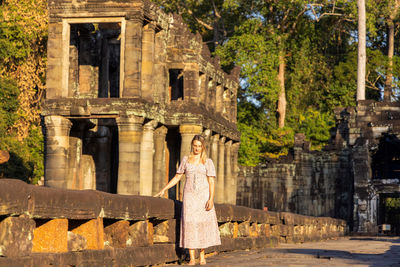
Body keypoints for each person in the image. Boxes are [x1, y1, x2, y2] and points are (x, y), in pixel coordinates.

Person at [154, 134, 221, 265]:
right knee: (189, 223)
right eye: (195, 146)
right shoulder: (186, 160)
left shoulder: (208, 162)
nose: (197, 148)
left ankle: (202, 255)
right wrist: (164, 189)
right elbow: (177, 177)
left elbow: (211, 182)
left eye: (199, 146)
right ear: (192, 145)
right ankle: (191, 257)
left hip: (203, 196)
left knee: (201, 224)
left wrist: (211, 199)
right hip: (189, 196)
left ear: (203, 147)